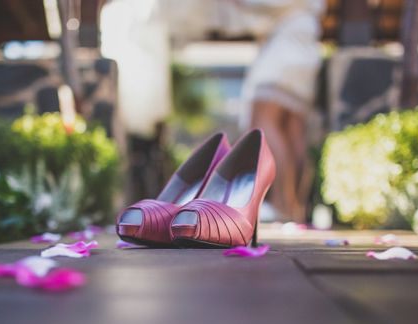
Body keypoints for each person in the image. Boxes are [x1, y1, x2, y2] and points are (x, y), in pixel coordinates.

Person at [101, 0, 325, 221]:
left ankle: (282, 205)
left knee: (265, 122)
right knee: (291, 127)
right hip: (301, 40)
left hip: (286, 44)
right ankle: (294, 207)